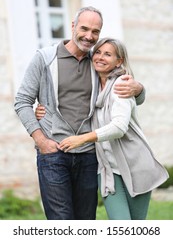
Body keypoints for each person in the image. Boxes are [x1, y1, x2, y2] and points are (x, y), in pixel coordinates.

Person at [14, 6, 145, 220]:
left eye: (95, 31)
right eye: (84, 28)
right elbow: (22, 101)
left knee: (86, 221)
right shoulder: (45, 58)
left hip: (89, 154)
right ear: (73, 26)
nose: (89, 36)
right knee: (61, 220)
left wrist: (139, 88)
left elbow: (127, 92)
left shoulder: (98, 61)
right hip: (53, 152)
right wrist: (41, 140)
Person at [55, 37, 168, 220]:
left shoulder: (121, 86)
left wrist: (82, 139)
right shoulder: (92, 86)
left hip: (136, 166)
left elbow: (118, 127)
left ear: (119, 61)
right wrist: (41, 110)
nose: (100, 57)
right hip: (108, 171)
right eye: (98, 52)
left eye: (108, 54)